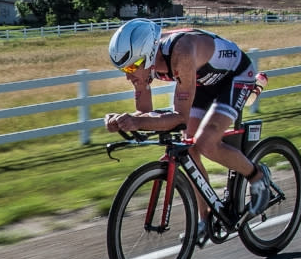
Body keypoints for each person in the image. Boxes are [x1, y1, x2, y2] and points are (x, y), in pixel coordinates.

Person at [104, 18, 275, 235]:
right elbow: (144, 113)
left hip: (235, 76)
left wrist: (137, 121)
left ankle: (258, 177)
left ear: (147, 56)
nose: (128, 76)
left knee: (206, 142)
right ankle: (204, 220)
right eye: (123, 70)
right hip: (202, 81)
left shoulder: (181, 53)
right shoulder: (144, 66)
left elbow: (180, 117)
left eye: (130, 68)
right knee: (189, 147)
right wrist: (121, 120)